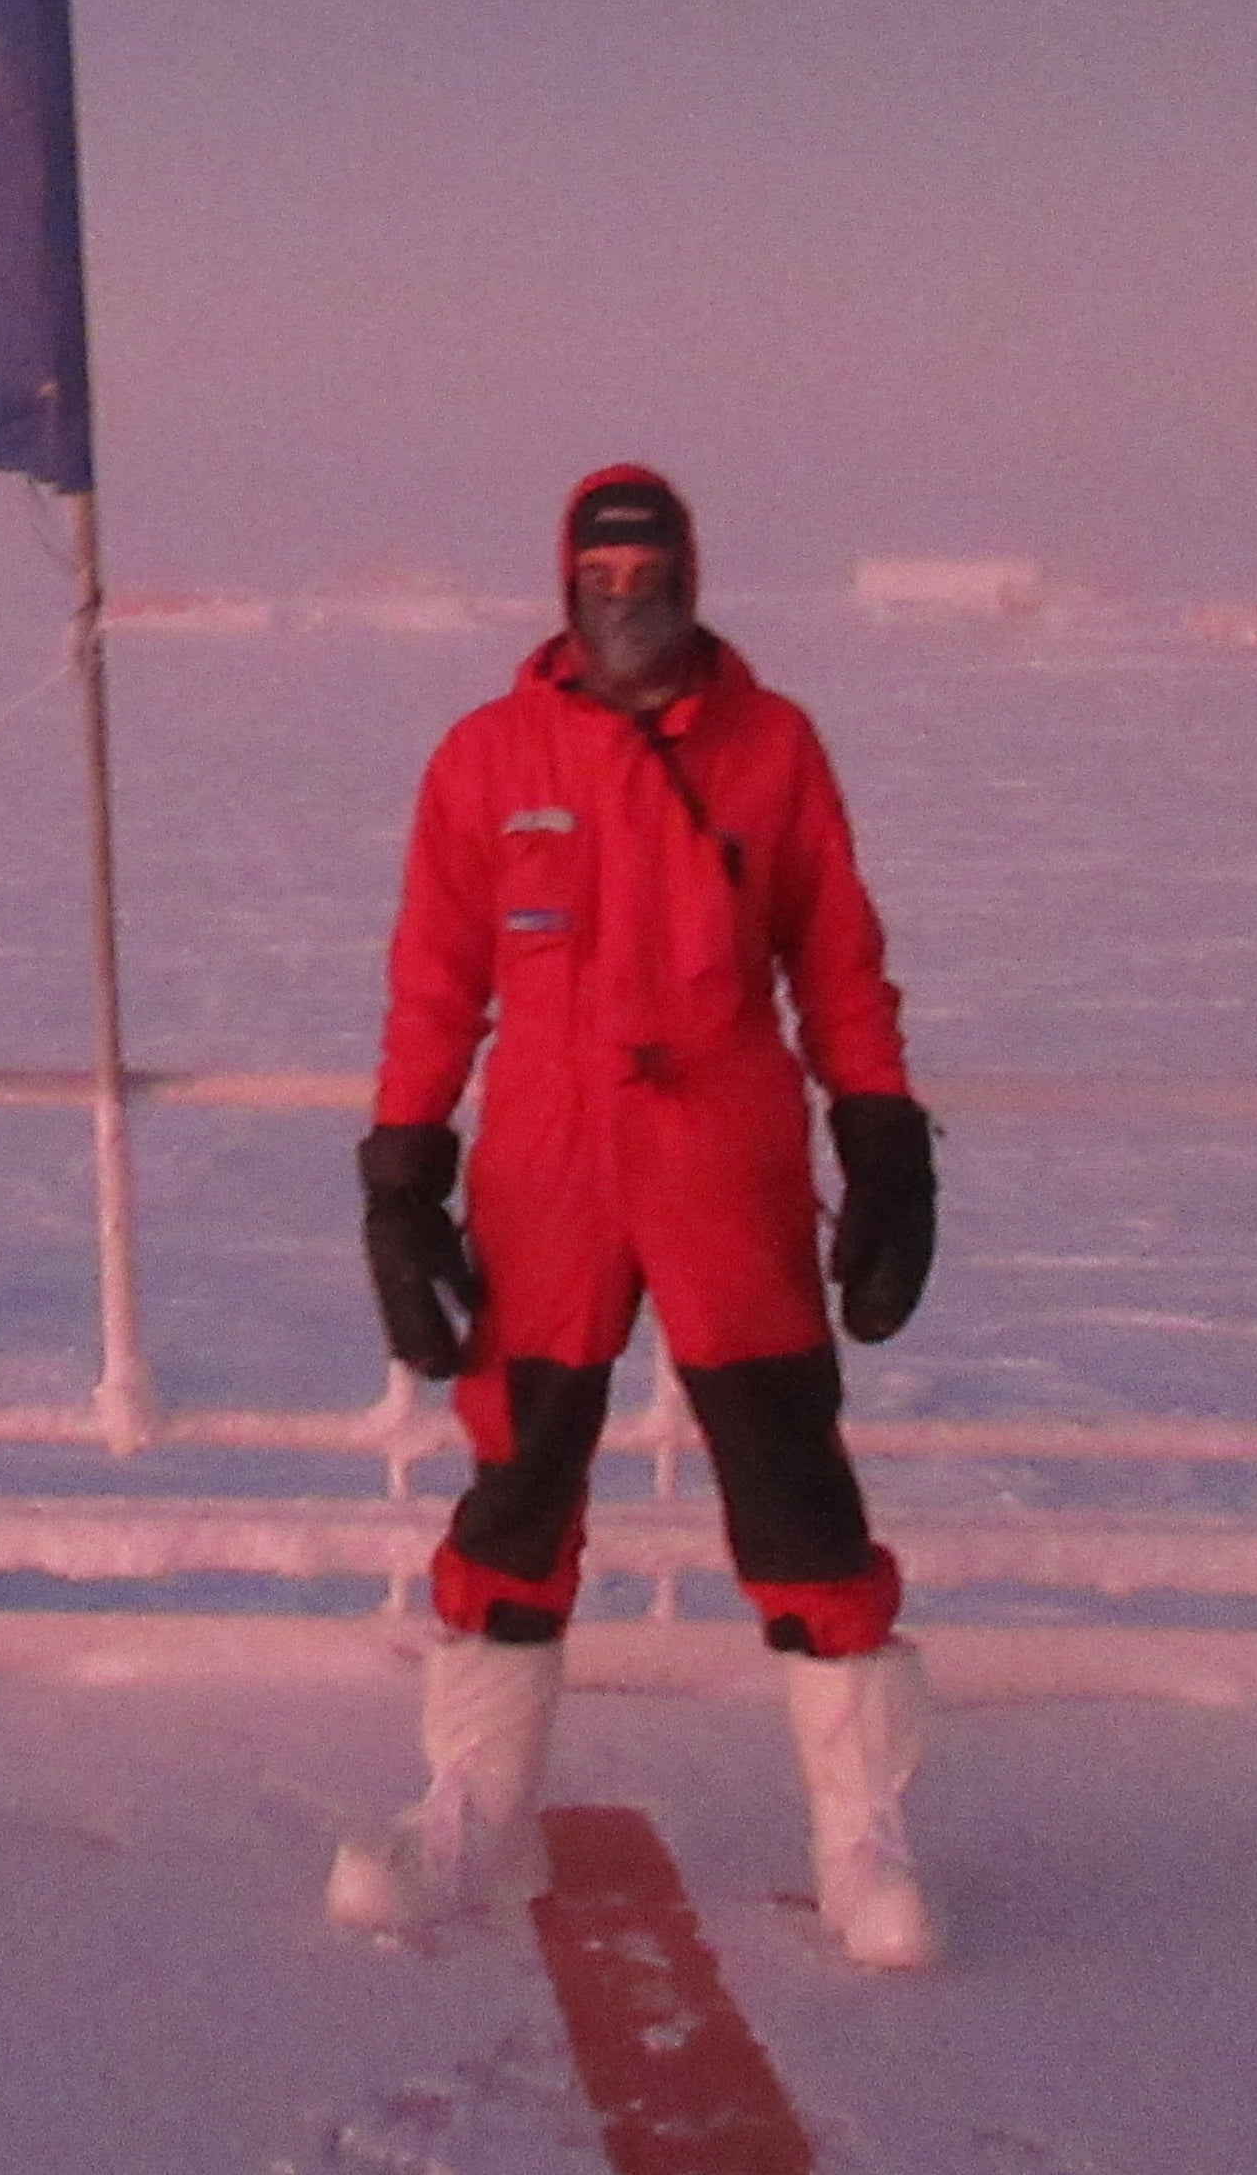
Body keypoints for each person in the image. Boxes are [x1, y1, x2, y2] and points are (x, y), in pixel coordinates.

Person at [326, 463, 945, 1963]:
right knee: (518, 1486)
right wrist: (403, 1174)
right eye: (600, 582)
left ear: (690, 576)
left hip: (723, 1152)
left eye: (649, 575)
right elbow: (433, 981)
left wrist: (883, 1136)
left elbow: (838, 962)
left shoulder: (773, 747)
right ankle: (474, 1810)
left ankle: (861, 1837)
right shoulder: (487, 757)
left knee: (795, 1492)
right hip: (549, 1156)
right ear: (564, 587)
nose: (627, 603)